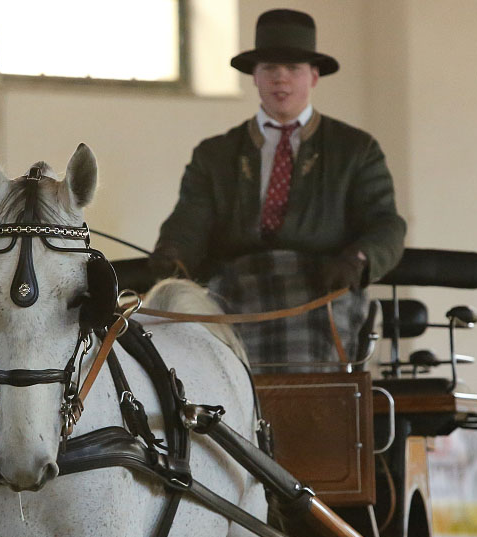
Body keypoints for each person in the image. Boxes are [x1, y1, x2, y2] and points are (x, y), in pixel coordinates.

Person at [150, 8, 406, 367]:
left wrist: (357, 260)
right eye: (270, 68)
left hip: (324, 291)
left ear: (314, 76)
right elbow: (188, 222)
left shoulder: (356, 150)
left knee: (311, 385)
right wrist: (172, 255)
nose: (281, 79)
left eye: (294, 69)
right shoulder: (215, 154)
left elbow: (386, 224)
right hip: (236, 290)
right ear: (254, 76)